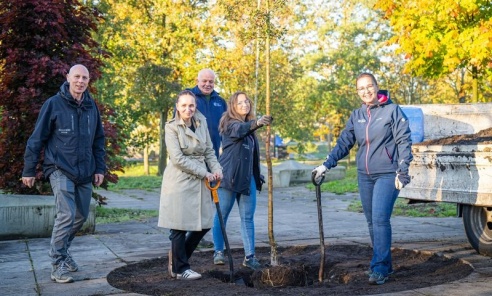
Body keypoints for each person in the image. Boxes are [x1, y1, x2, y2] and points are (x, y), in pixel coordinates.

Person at [312, 73, 413, 285]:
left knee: (379, 219)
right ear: (357, 92)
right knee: (371, 221)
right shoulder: (357, 114)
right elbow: (344, 143)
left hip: (387, 173)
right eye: (361, 88)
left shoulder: (392, 110)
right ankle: (385, 265)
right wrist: (325, 165)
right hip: (364, 175)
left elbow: (404, 140)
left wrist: (402, 171)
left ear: (377, 87)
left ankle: (378, 269)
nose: (366, 91)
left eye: (369, 86)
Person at [22, 64, 106, 284]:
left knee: (80, 216)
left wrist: (99, 168)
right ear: (68, 77)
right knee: (66, 214)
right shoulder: (53, 104)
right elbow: (37, 138)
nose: (80, 81)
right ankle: (57, 263)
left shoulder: (91, 106)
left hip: (85, 171)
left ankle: (63, 251)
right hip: (60, 168)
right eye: (76, 76)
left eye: (84, 78)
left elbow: (98, 139)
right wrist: (29, 169)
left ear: (89, 81)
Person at [158, 90, 223, 280]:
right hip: (180, 180)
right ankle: (180, 269)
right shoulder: (171, 127)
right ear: (177, 107)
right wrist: (206, 173)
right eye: (184, 105)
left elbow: (210, 150)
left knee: (204, 223)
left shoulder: (201, 123)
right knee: (179, 226)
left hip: (201, 180)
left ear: (196, 107)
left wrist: (217, 168)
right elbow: (177, 159)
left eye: (191, 105)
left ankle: (178, 259)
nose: (188, 109)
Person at [212, 91, 272, 270]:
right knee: (222, 216)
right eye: (240, 103)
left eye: (247, 101)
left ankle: (250, 256)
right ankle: (218, 251)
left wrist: (257, 176)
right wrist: (257, 123)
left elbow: (251, 157)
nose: (245, 105)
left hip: (247, 180)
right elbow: (239, 131)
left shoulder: (250, 128)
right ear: (233, 106)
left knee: (247, 217)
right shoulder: (229, 124)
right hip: (229, 178)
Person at [187, 68, 227, 248]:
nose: (207, 84)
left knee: (208, 197)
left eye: (211, 81)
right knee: (192, 196)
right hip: (194, 156)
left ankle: (199, 233)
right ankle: (188, 233)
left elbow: (226, 128)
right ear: (197, 80)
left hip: (212, 156)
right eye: (204, 81)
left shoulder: (220, 101)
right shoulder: (189, 98)